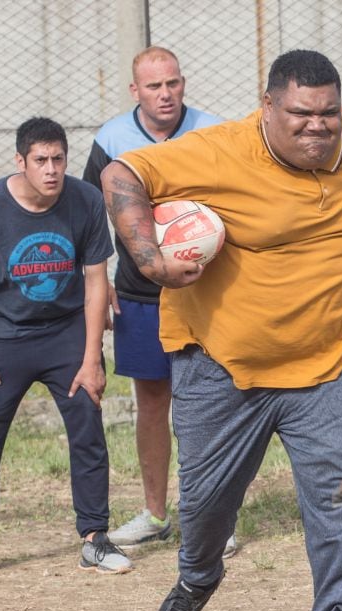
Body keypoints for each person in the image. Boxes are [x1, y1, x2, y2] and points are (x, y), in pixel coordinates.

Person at [101, 49, 342, 611]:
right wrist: (150, 260)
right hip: (222, 364)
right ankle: (197, 577)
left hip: (330, 360)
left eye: (328, 113)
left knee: (338, 493)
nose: (317, 127)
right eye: (299, 114)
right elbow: (120, 175)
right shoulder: (217, 151)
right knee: (208, 504)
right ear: (267, 106)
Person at [0, 117, 132, 578]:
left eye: (58, 159)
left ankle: (95, 538)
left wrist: (90, 358)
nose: (51, 169)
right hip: (3, 335)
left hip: (66, 334)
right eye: (40, 160)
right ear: (20, 161)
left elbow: (96, 279)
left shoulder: (84, 200)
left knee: (87, 423)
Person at [81, 47, 234, 556]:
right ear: (135, 91)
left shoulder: (214, 131)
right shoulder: (111, 139)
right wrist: (97, 294)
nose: (165, 94)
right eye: (153, 86)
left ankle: (213, 517)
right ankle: (155, 513)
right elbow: (89, 224)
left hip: (210, 294)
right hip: (140, 295)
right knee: (151, 403)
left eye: (172, 83)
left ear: (184, 83)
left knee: (212, 405)